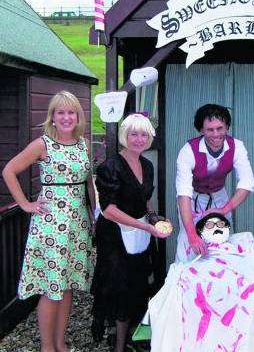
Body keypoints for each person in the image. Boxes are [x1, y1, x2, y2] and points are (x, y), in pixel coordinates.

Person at [2, 91, 95, 352]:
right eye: (61, 112)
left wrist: (94, 214)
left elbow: (88, 184)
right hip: (51, 226)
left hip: (77, 225)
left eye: (71, 112)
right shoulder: (42, 144)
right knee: (51, 287)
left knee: (66, 288)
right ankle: (47, 348)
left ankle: (60, 344)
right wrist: (25, 204)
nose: (66, 117)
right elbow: (9, 170)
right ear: (52, 117)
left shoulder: (84, 145)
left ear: (78, 116)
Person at [91, 113, 172, 352]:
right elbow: (109, 209)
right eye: (133, 134)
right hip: (115, 236)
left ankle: (134, 337)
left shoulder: (147, 165)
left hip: (140, 234)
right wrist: (146, 226)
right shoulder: (110, 166)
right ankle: (118, 345)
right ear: (125, 135)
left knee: (139, 283)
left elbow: (144, 201)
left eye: (143, 134)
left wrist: (154, 218)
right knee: (120, 287)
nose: (138, 139)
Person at [149, 212, 254, 352]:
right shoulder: (187, 270)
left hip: (238, 329)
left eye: (221, 224)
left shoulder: (244, 256)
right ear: (201, 233)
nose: (217, 227)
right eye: (210, 225)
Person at [175, 103, 254, 262]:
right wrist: (191, 234)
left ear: (227, 127)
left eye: (220, 128)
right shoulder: (188, 150)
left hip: (219, 196)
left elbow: (247, 182)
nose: (216, 134)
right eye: (210, 130)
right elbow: (183, 193)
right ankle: (185, 281)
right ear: (201, 130)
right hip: (192, 199)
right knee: (188, 243)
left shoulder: (237, 146)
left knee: (222, 242)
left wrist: (224, 209)